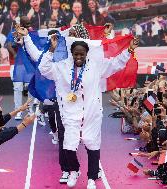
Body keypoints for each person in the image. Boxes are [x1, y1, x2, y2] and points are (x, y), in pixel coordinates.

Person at [37, 33, 139, 188]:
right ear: (72, 54)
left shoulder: (96, 66)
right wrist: (51, 50)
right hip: (70, 114)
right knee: (69, 145)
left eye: (82, 54)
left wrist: (129, 50)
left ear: (86, 54)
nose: (79, 56)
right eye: (76, 54)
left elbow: (115, 64)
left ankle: (91, 178)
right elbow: (44, 69)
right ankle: (74, 170)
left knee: (92, 144)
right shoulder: (62, 67)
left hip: (92, 113)